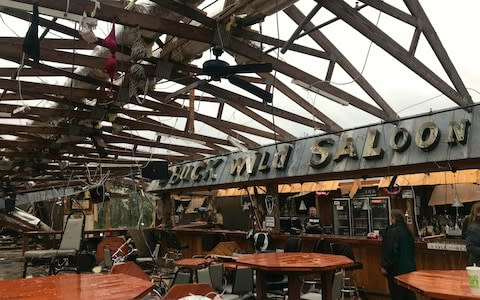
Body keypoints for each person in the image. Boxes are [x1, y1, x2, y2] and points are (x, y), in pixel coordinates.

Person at [381, 209, 416, 300]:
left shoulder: (392, 231)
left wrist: (384, 265)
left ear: (393, 218)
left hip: (396, 269)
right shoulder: (408, 231)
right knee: (409, 293)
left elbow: (389, 250)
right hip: (410, 268)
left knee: (397, 294)